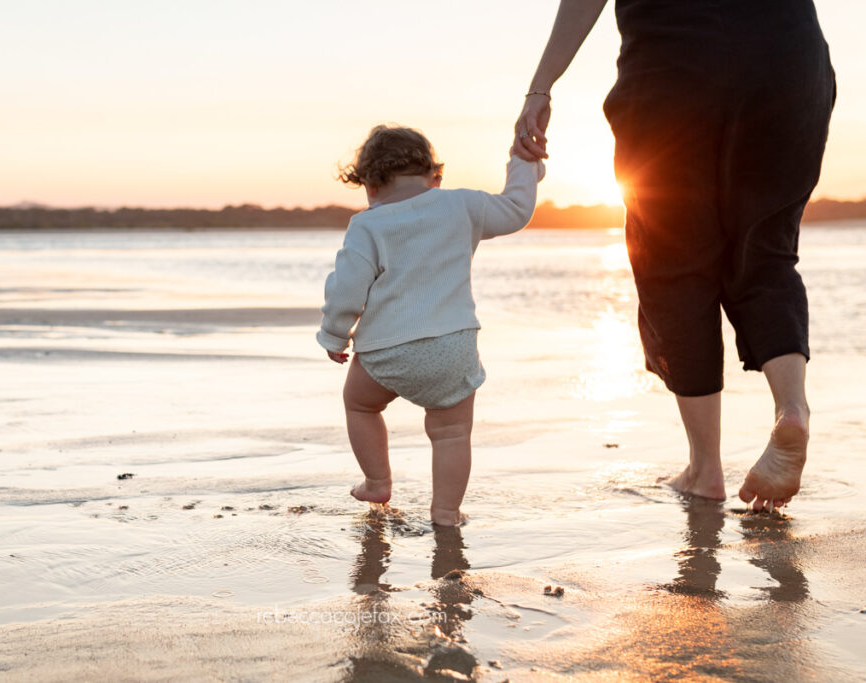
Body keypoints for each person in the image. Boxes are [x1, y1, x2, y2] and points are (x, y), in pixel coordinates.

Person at [513, 0, 836, 512]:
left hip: (672, 66)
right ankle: (791, 410)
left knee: (673, 263)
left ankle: (705, 470)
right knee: (767, 253)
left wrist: (540, 87)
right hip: (787, 59)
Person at [317, 124, 544, 526]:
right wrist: (524, 164)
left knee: (360, 405)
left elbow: (347, 287)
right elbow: (516, 210)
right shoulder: (460, 205)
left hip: (385, 350)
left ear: (369, 185)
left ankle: (377, 481)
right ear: (436, 177)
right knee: (452, 433)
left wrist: (335, 334)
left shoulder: (367, 224)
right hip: (451, 348)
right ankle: (446, 512)